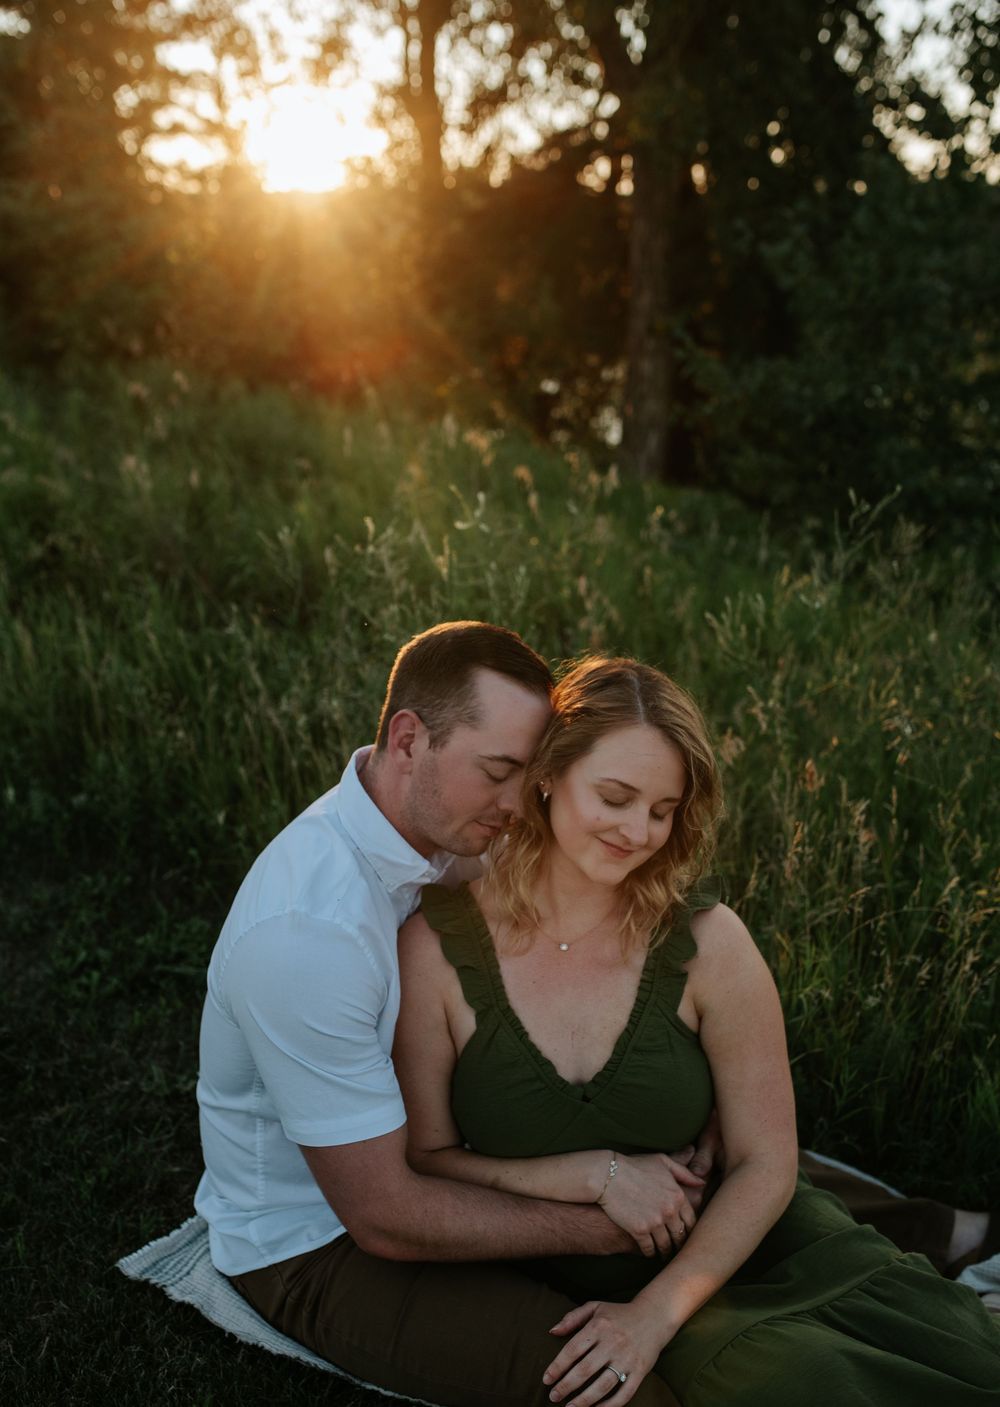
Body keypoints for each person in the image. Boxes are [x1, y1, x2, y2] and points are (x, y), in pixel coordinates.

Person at [195, 621, 994, 1407]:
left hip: (605, 1201)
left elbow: (759, 1153)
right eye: (502, 772)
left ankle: (937, 1233)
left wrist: (695, 1112)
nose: (513, 805)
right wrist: (605, 1200)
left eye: (661, 809)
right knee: (630, 1388)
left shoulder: (465, 828)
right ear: (408, 741)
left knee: (878, 1293)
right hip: (320, 1236)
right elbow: (390, 1208)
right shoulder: (312, 934)